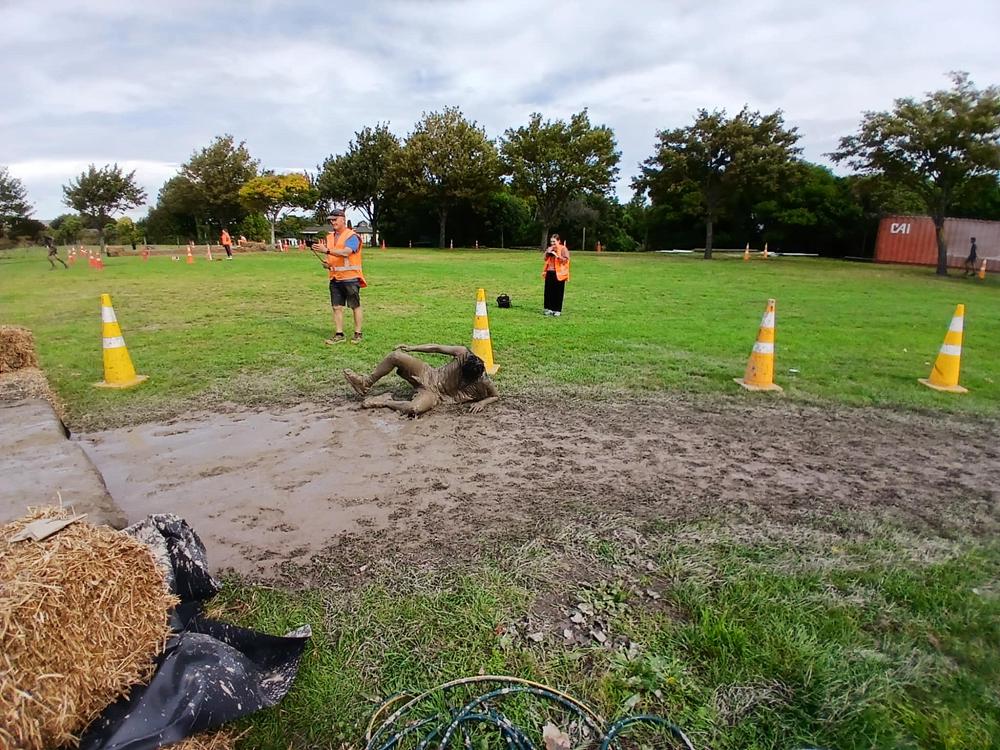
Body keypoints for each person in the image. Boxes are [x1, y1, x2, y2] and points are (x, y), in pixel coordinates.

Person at [344, 344, 499, 416]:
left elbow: (495, 395)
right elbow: (436, 348)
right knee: (396, 356)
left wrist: (482, 403)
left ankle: (385, 401)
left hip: (435, 394)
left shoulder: (483, 380)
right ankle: (365, 383)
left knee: (414, 409)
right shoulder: (463, 353)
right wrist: (412, 348)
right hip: (429, 374)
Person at [320, 208, 365, 345]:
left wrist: (327, 250)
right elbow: (334, 256)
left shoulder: (351, 236)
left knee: (354, 306)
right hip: (335, 277)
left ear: (343, 219)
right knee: (336, 307)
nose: (332, 222)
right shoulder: (329, 237)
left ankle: (358, 333)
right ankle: (339, 334)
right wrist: (328, 263)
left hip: (350, 277)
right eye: (331, 220)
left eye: (335, 219)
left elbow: (346, 252)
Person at [542, 233, 570, 316]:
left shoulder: (563, 249)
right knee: (548, 291)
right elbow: (545, 258)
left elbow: (566, 260)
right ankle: (549, 308)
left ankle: (557, 309)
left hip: (559, 273)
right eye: (551, 241)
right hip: (549, 272)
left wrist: (557, 256)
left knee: (558, 292)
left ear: (558, 241)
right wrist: (548, 252)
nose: (552, 243)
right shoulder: (550, 248)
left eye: (554, 241)